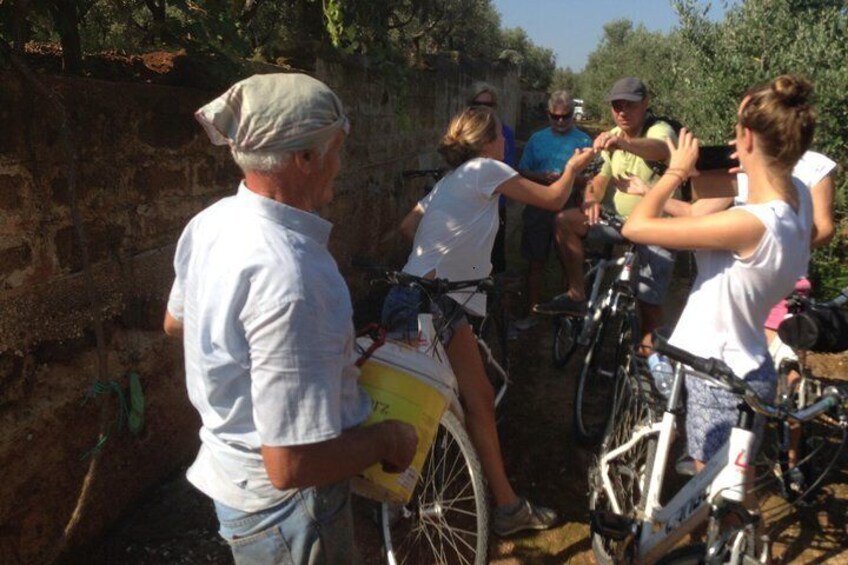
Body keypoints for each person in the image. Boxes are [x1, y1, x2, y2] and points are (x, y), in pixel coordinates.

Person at [163, 73, 418, 564]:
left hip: (233, 480)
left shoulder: (211, 223)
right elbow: (291, 464)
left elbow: (177, 323)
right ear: (305, 158)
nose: (340, 166)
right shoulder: (295, 276)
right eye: (337, 150)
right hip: (288, 509)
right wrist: (389, 438)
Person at [384, 105, 595, 536]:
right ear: (487, 142)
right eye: (501, 136)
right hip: (437, 302)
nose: (507, 143)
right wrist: (575, 165)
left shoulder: (447, 182)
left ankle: (395, 497)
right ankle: (505, 507)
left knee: (427, 398)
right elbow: (555, 200)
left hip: (407, 294)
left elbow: (408, 228)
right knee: (473, 401)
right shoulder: (485, 169)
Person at [621, 74, 815, 477]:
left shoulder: (752, 224)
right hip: (753, 366)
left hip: (716, 375)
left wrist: (674, 174)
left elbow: (636, 227)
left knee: (714, 498)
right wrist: (703, 176)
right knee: (732, 489)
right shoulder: (800, 198)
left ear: (745, 139)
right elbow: (699, 214)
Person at [535, 77, 677, 354]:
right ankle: (577, 293)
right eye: (617, 105)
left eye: (630, 105)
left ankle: (650, 365)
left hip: (657, 227)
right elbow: (601, 178)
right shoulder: (614, 134)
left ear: (645, 104)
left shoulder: (660, 130)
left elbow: (660, 150)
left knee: (649, 304)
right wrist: (590, 200)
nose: (622, 111)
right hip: (621, 223)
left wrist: (623, 144)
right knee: (566, 221)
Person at [514, 91, 593, 330]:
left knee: (568, 262)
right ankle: (532, 311)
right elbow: (522, 170)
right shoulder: (536, 139)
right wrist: (542, 177)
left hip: (569, 207)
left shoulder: (584, 142)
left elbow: (592, 178)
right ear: (548, 114)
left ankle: (566, 313)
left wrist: (568, 179)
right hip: (538, 205)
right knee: (535, 262)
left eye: (565, 116)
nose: (560, 121)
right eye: (555, 116)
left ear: (573, 115)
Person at [468, 82, 517, 277]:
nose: (483, 109)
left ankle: (491, 301)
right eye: (477, 104)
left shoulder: (504, 134)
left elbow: (508, 170)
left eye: (488, 105)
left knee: (493, 258)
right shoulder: (462, 134)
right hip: (469, 206)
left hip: (495, 205)